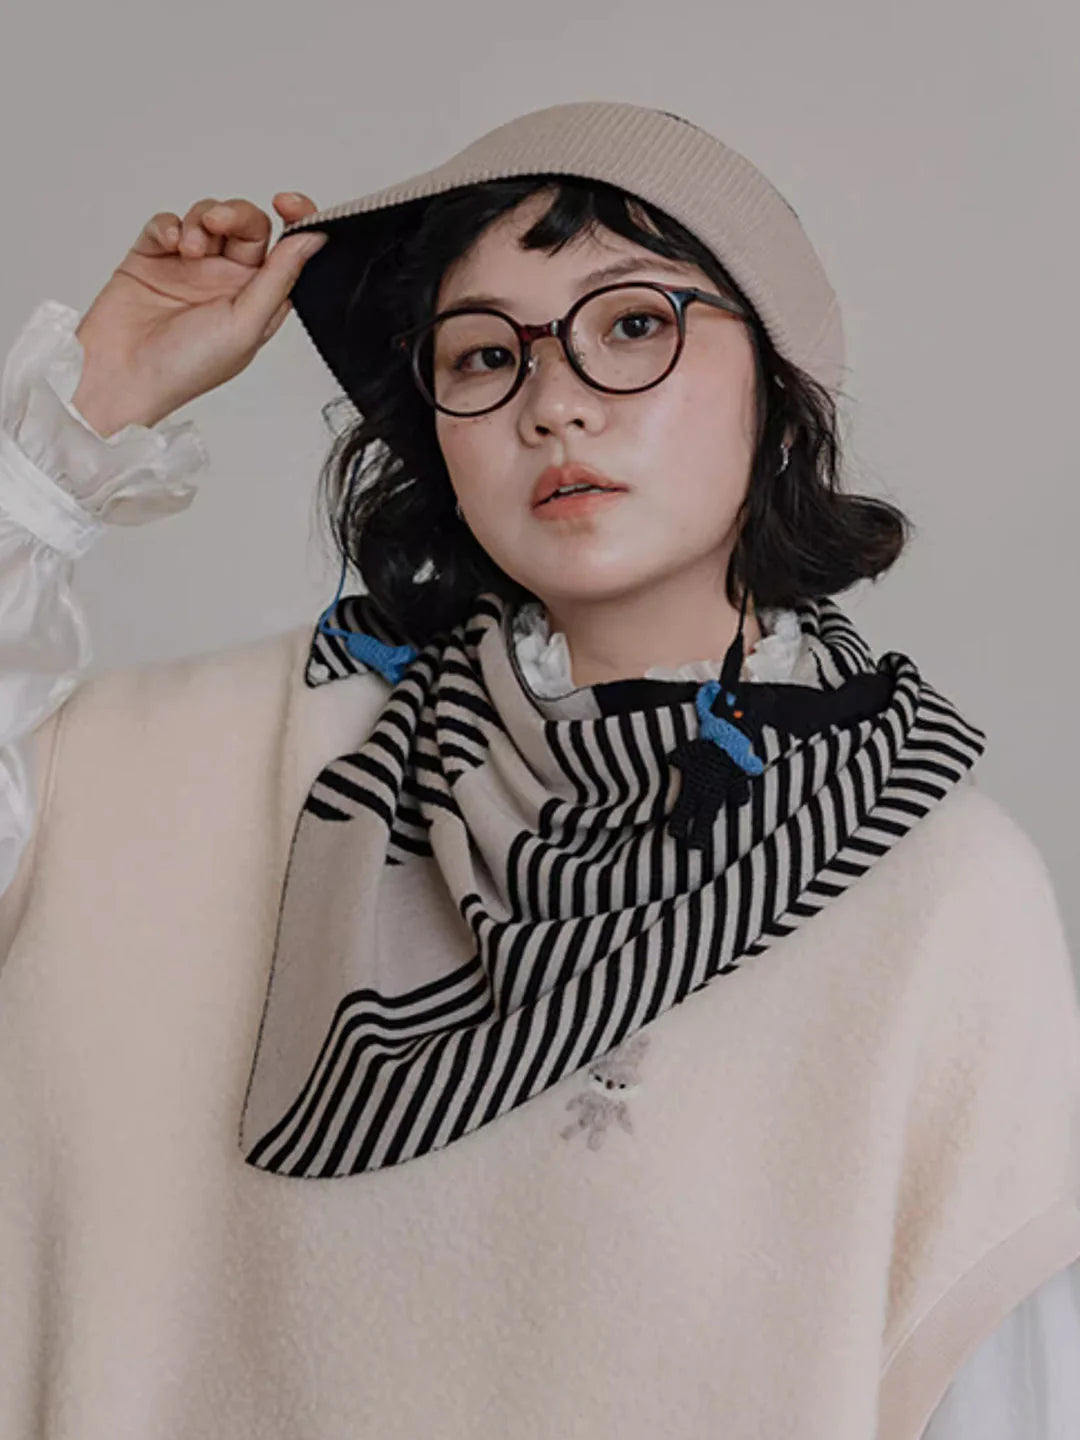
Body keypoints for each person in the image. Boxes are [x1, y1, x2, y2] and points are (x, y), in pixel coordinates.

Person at [0, 100, 1078, 1439]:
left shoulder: (933, 892)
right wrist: (77, 419)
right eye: (485, 354)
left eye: (632, 325)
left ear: (782, 387)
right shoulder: (203, 771)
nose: (553, 400)